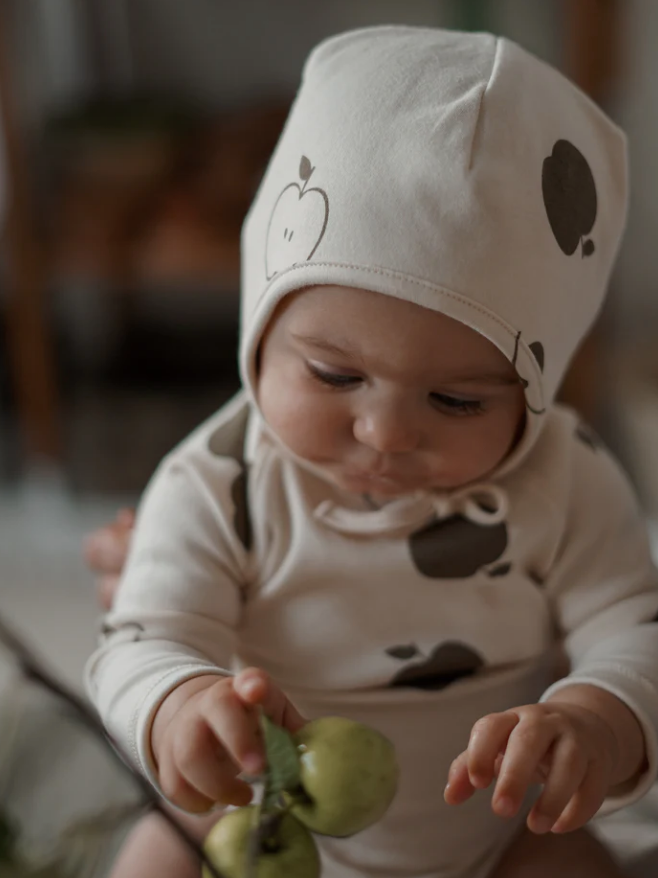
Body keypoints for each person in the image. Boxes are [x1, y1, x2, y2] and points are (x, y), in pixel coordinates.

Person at [84, 26, 658, 878]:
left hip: (496, 834)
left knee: (575, 865)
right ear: (260, 330)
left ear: (535, 394)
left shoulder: (566, 480)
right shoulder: (222, 479)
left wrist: (595, 718)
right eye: (332, 373)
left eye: (458, 399)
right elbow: (140, 636)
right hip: (269, 824)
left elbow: (634, 628)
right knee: (154, 855)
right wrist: (179, 703)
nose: (386, 434)